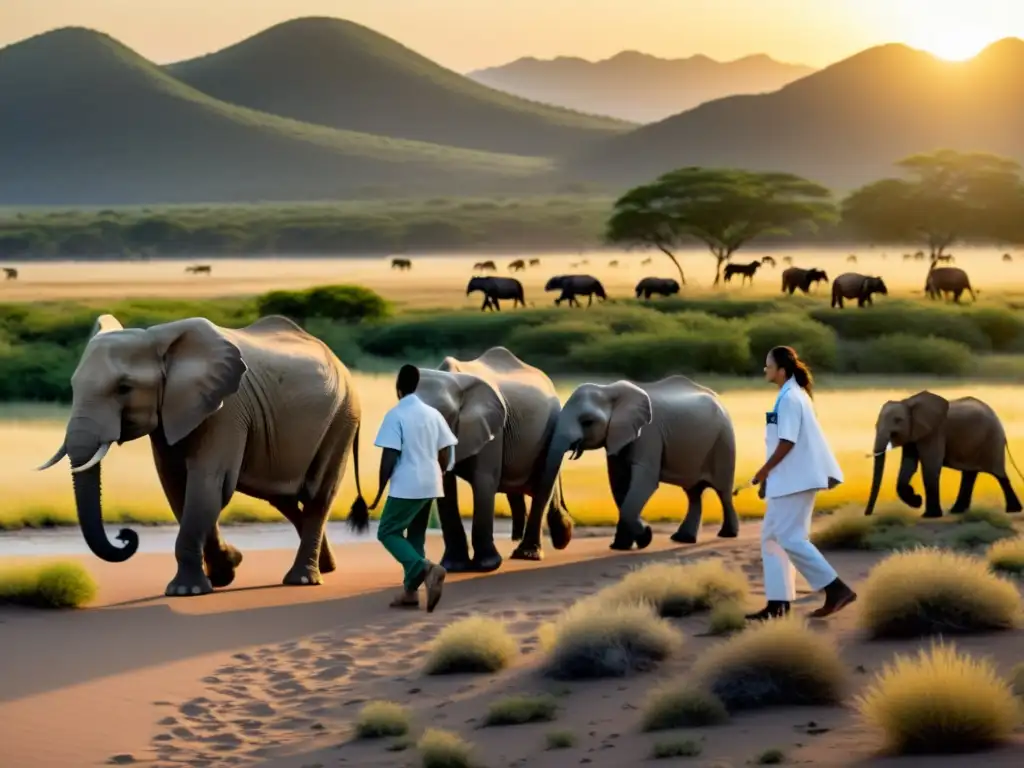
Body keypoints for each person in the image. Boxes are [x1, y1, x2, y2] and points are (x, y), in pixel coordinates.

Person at [746, 346, 857, 621]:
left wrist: (763, 472)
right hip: (787, 479)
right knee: (772, 538)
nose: (765, 370)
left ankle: (836, 589)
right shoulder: (790, 396)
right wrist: (769, 478)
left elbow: (787, 441)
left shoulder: (790, 399)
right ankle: (778, 604)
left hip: (794, 480)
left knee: (790, 538)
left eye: (768, 365)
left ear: (781, 370)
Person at [369, 364, 457, 612]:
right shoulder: (433, 414)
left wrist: (377, 495)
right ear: (417, 385)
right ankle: (410, 594)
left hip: (407, 484)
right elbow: (446, 449)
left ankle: (427, 569)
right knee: (415, 537)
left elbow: (389, 457)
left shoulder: (395, 415)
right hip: (431, 483)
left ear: (398, 387)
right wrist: (438, 473)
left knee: (387, 532)